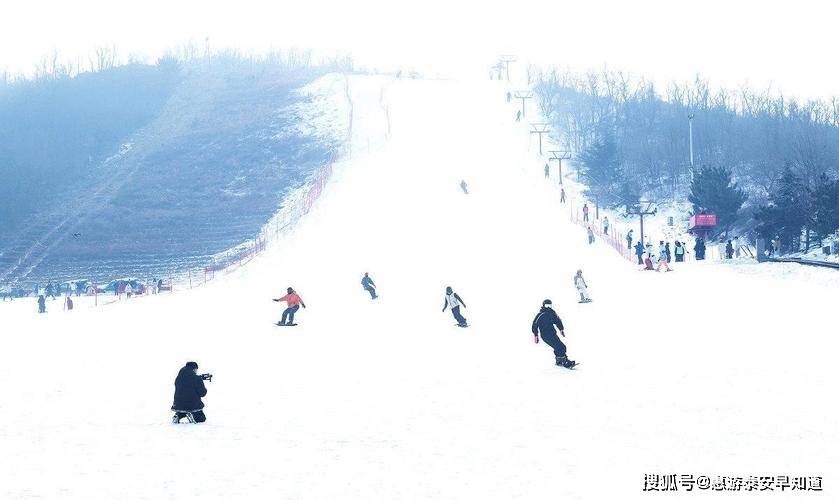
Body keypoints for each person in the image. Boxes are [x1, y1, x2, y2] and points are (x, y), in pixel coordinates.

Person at [531, 299, 576, 368]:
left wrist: (561, 329)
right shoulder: (540, 314)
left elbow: (558, 321)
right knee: (560, 347)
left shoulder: (552, 313)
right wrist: (536, 335)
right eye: (547, 305)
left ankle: (559, 361)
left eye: (550, 305)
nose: (548, 307)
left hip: (552, 334)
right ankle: (564, 361)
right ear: (543, 306)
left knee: (559, 346)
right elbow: (534, 325)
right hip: (545, 335)